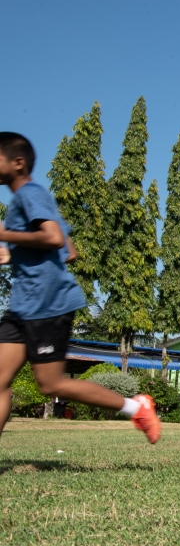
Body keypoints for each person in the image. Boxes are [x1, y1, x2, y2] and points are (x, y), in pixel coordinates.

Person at [0, 132, 160, 443]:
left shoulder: (30, 193)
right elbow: (68, 251)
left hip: (47, 306)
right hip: (22, 306)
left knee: (51, 384)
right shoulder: (28, 199)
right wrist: (12, 255)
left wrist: (5, 234)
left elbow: (55, 238)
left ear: (18, 163)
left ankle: (135, 407)